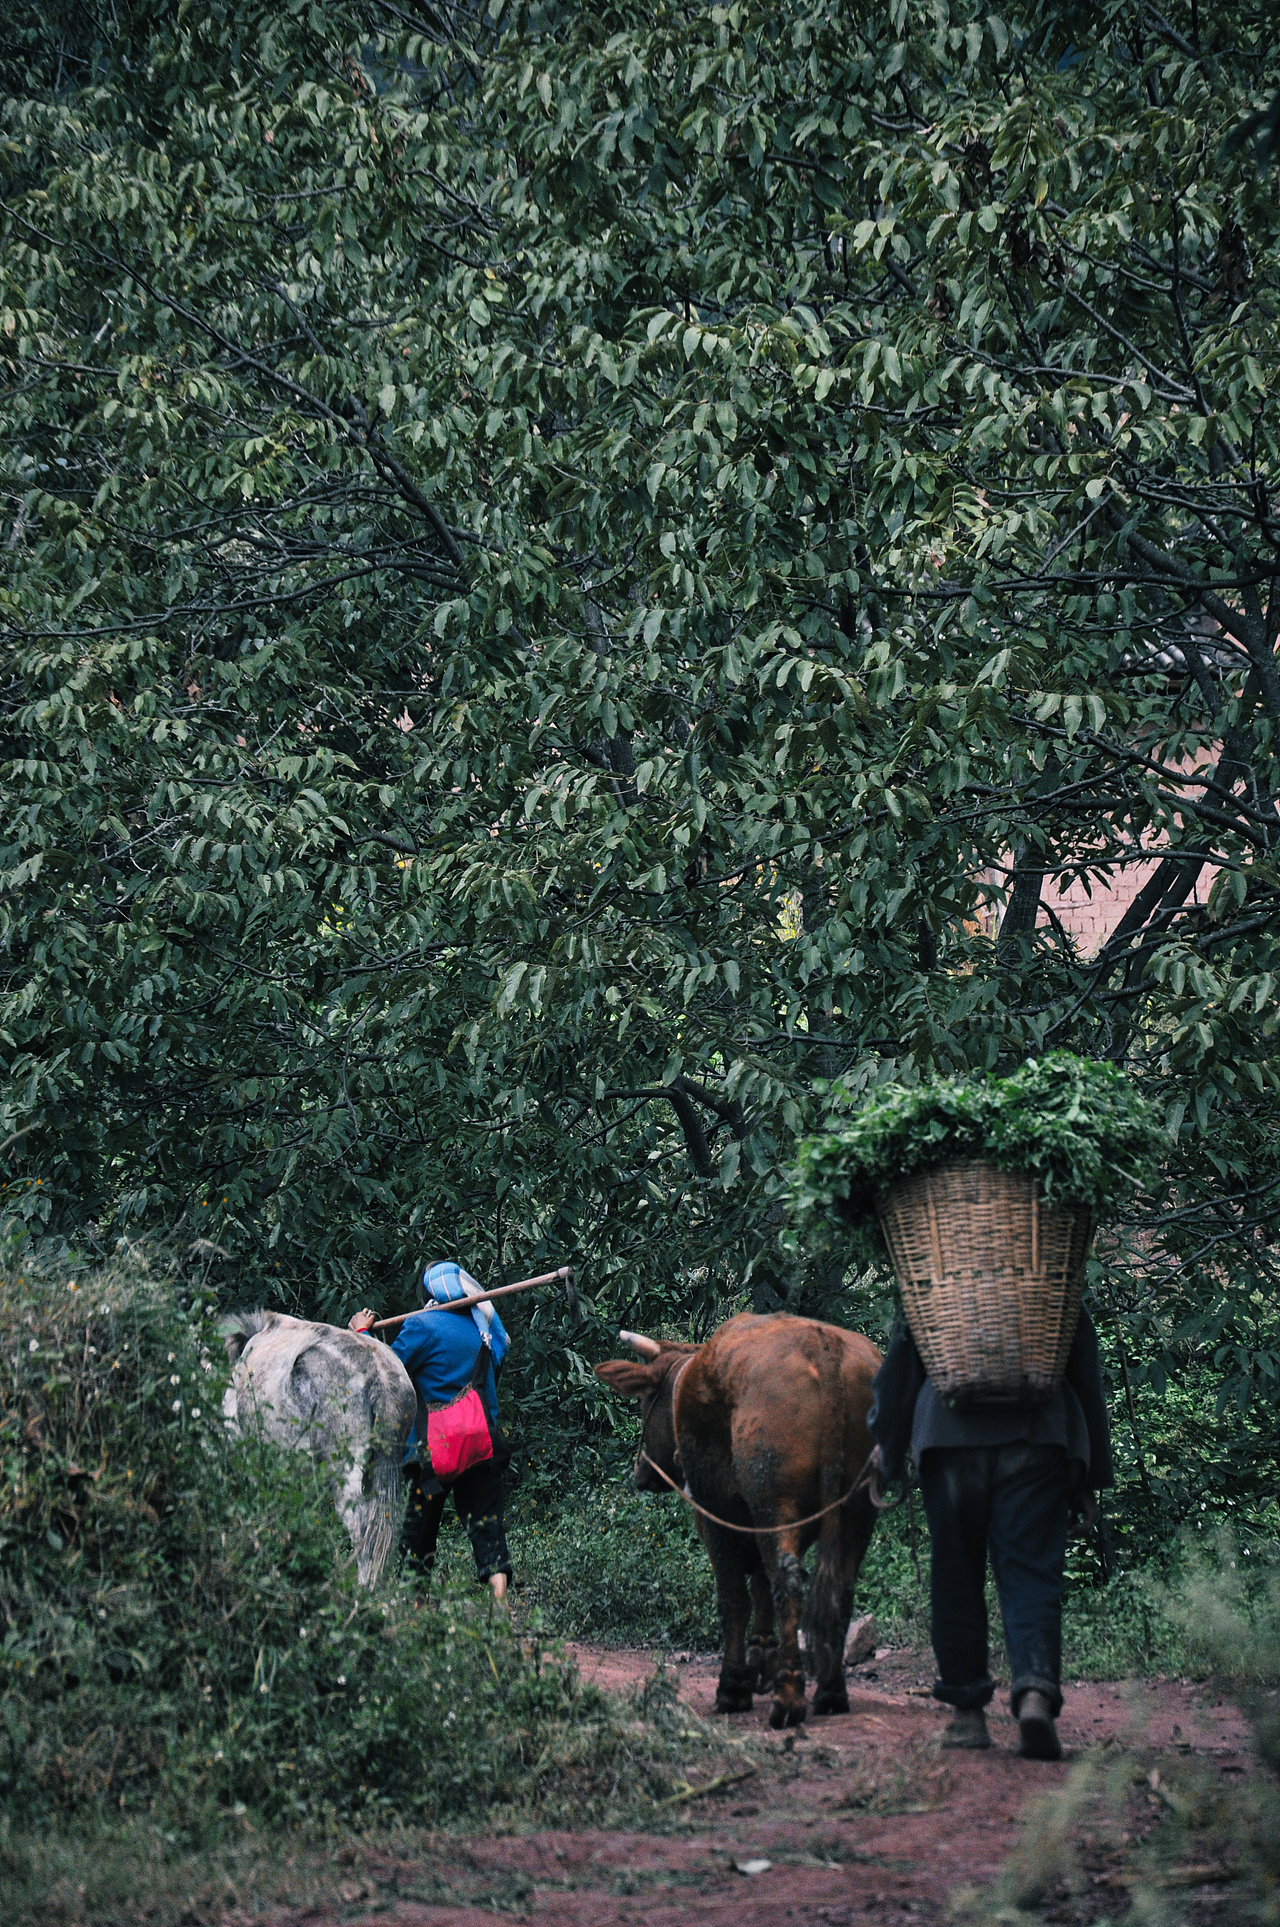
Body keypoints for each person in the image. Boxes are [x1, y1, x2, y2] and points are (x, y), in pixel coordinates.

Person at [867, 1302, 1113, 1760]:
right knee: (1032, 1570)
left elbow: (902, 1366)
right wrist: (1091, 1474)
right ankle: (1035, 1692)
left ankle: (967, 1715)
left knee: (955, 1574)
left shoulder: (936, 1278)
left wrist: (888, 1445)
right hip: (1037, 1435)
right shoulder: (1050, 1276)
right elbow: (1084, 1370)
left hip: (950, 1437)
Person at [351, 1260, 514, 1603]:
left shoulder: (421, 1325)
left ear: (428, 1292)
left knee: (419, 1533)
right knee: (487, 1526)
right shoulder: (483, 1329)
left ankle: (417, 1607)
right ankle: (500, 1605)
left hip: (433, 1449)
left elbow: (386, 1373)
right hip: (482, 1443)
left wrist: (362, 1334)